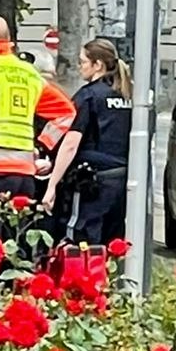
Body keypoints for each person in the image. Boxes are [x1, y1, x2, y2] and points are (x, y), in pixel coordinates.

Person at [0, 16, 76, 242]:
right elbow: (66, 112)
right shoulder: (29, 75)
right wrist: (42, 144)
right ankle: (11, 278)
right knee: (14, 240)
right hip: (23, 175)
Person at [44, 39, 133, 247]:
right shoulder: (128, 95)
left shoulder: (89, 96)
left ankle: (84, 280)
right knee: (112, 244)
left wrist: (52, 184)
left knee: (79, 241)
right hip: (121, 181)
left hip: (92, 183)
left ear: (98, 65)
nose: (79, 66)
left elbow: (71, 144)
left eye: (83, 61)